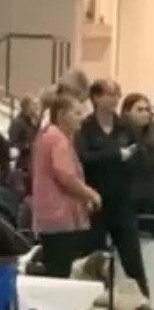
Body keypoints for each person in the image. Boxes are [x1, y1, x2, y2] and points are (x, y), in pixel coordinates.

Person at [77, 79, 148, 295]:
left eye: (117, 94)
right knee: (93, 261)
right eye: (110, 94)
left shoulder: (126, 127)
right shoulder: (86, 127)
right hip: (95, 202)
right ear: (96, 98)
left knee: (133, 261)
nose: (115, 99)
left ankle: (143, 302)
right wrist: (115, 155)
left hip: (122, 201)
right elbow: (83, 157)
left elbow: (139, 156)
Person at [31, 91, 99, 278]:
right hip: (59, 214)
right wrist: (90, 194)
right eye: (76, 113)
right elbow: (66, 176)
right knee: (60, 271)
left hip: (48, 214)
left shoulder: (46, 135)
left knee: (54, 267)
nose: (82, 118)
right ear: (62, 115)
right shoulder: (58, 139)